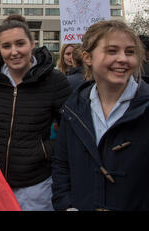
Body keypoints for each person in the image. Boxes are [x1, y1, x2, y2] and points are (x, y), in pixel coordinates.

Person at [0, 15, 71, 210]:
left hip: (35, 187)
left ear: (32, 44)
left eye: (20, 44)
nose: (14, 52)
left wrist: (44, 150)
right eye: (6, 46)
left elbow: (71, 129)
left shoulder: (55, 81)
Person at [52, 20, 149, 211]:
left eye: (130, 52)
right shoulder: (73, 108)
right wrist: (66, 205)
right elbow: (61, 165)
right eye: (112, 51)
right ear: (88, 57)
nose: (123, 59)